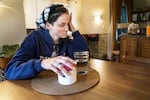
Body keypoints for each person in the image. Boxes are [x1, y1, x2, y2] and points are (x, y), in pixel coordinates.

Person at [5, 4, 89, 80]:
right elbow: (11, 71)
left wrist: (74, 31)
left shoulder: (66, 41)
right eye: (62, 25)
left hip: (59, 85)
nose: (67, 29)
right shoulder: (33, 38)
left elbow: (83, 57)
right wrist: (41, 63)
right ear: (48, 25)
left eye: (68, 24)